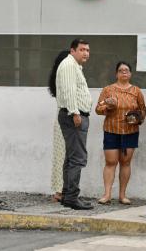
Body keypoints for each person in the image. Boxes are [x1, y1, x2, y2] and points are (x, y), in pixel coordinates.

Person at [95, 61, 146, 205]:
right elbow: (98, 109)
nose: (124, 72)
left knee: (126, 162)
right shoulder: (108, 90)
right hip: (112, 130)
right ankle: (107, 194)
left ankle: (122, 195)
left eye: (126, 70)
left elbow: (143, 110)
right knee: (110, 162)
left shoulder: (136, 91)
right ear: (116, 73)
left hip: (130, 131)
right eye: (121, 70)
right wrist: (107, 106)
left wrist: (138, 118)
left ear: (130, 74)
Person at [55, 39, 94, 210]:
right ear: (73, 50)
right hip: (74, 115)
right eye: (82, 49)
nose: (86, 53)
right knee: (78, 158)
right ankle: (71, 197)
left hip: (74, 114)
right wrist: (75, 113)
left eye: (87, 50)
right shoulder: (69, 65)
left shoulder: (73, 65)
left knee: (71, 158)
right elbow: (69, 90)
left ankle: (67, 195)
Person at [48, 50, 70, 203]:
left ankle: (61, 189)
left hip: (60, 117)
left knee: (62, 155)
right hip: (66, 117)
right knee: (64, 155)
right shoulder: (64, 78)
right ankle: (60, 190)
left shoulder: (58, 77)